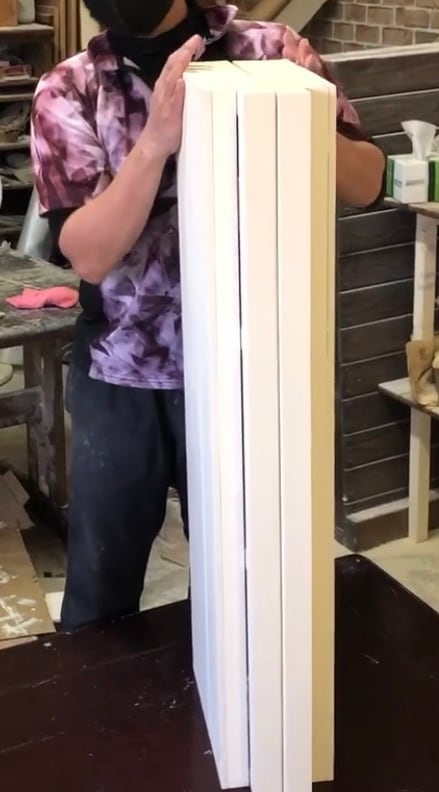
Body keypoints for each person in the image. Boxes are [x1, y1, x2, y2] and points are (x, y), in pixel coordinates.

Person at [31, 0, 385, 632]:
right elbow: (89, 254)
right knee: (100, 596)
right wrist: (156, 141)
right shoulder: (70, 88)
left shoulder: (268, 52)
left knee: (250, 593)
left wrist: (308, 116)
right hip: (123, 372)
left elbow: (367, 183)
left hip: (251, 371)